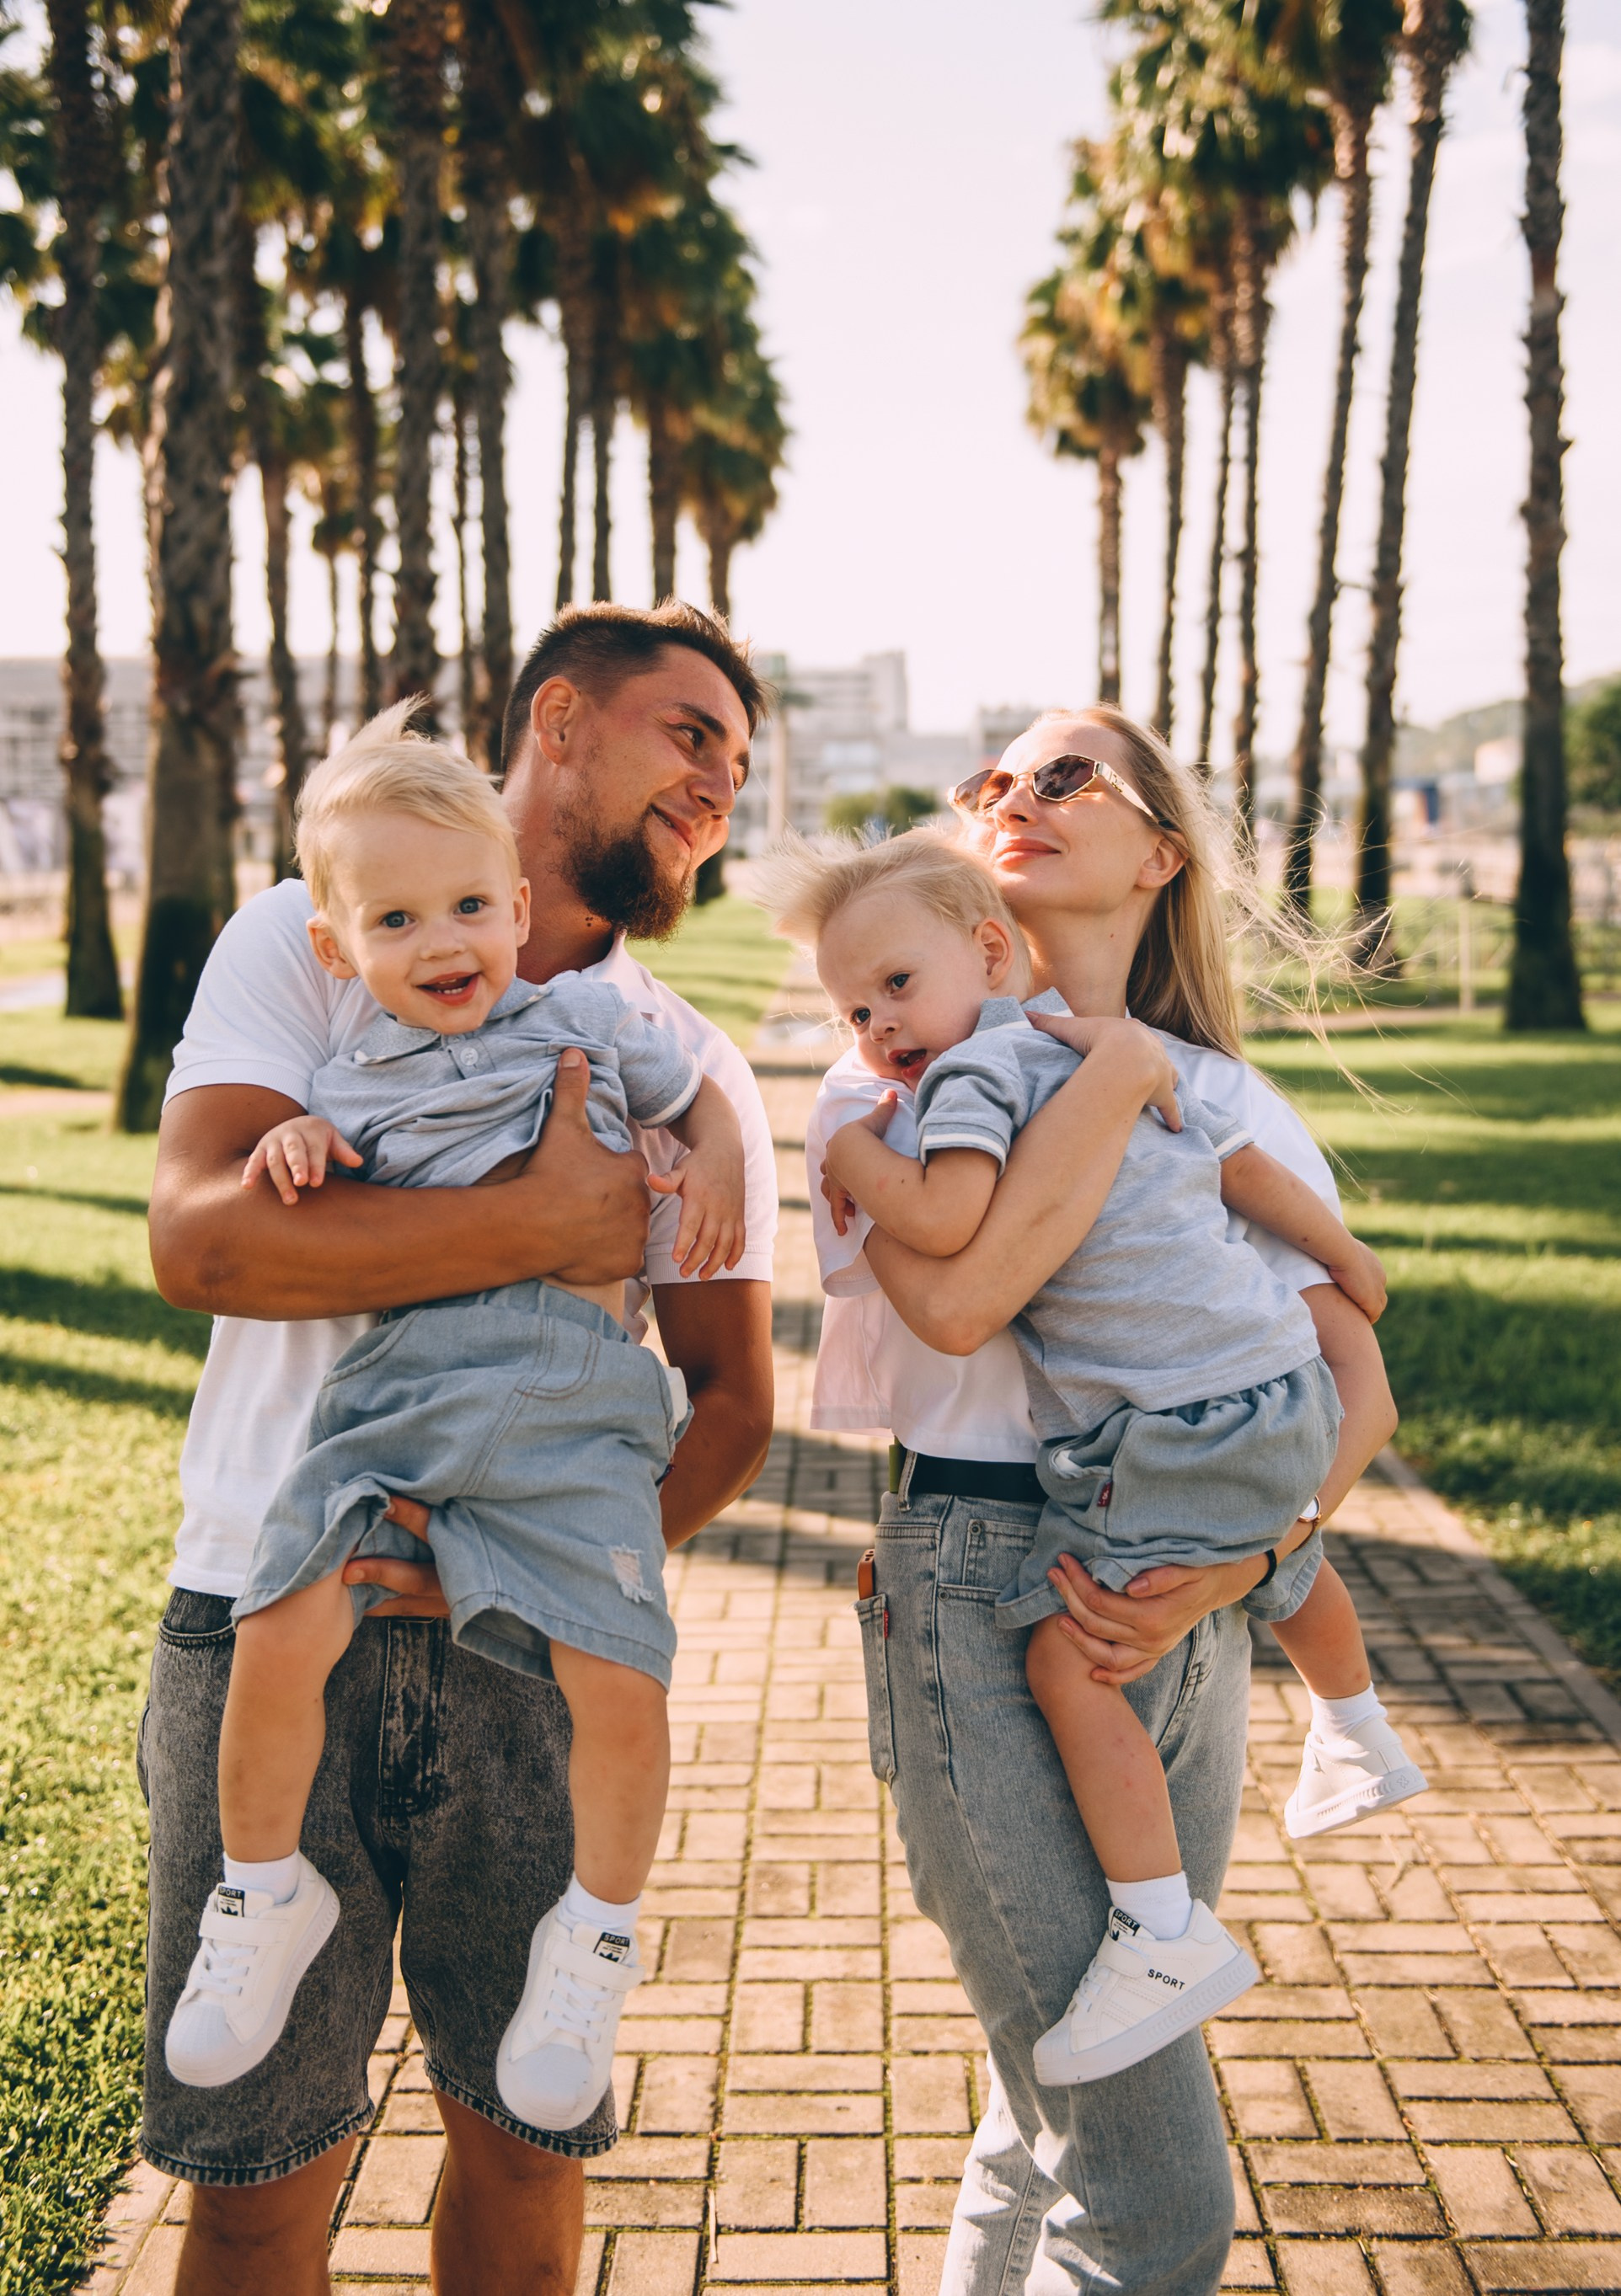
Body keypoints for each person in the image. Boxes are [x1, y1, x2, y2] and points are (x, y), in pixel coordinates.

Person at [140, 602, 778, 2295]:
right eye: (691, 732)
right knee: (262, 2171)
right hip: (267, 1609)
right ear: (558, 719)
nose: (721, 781)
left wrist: (545, 1568)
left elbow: (729, 1403)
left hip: (521, 1661)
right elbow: (205, 1244)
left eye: (738, 757)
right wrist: (534, 1221)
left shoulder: (686, 1064)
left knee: (519, 2157)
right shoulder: (312, 931)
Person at [795, 707, 1401, 2296]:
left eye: (1065, 775)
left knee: (1050, 2089)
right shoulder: (890, 1071)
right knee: (1150, 2190)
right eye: (992, 779)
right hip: (987, 1575)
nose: (1015, 797)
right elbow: (966, 1300)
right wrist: (1115, 1066)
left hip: (1183, 1594)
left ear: (1161, 852)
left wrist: (1248, 1564)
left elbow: (1361, 1390)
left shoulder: (1230, 1101)